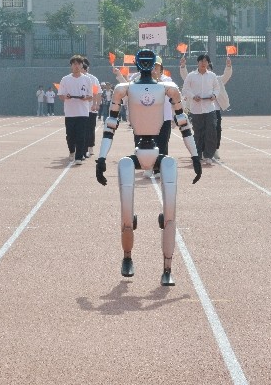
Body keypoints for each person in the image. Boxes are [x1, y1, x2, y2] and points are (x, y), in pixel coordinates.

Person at [95, 48, 202, 286]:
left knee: (170, 214)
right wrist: (101, 158)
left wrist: (195, 156)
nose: (145, 65)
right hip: (136, 152)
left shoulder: (168, 88)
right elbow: (110, 125)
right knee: (126, 214)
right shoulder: (124, 89)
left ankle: (167, 267)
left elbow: (183, 123)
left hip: (158, 151)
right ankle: (127, 256)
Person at [180, 55, 232, 159]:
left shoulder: (214, 77)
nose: (204, 64)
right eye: (201, 61)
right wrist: (183, 66)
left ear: (209, 65)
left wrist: (228, 66)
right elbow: (185, 87)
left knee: (213, 131)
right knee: (198, 132)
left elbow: (223, 80)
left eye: (206, 62)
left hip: (212, 109)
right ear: (198, 63)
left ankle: (211, 152)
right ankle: (199, 153)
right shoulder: (192, 76)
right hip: (196, 109)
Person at [57, 55, 93, 165]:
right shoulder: (65, 79)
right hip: (70, 112)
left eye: (79, 64)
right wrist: (66, 97)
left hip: (83, 112)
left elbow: (90, 96)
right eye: (74, 64)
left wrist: (85, 98)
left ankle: (79, 157)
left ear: (82, 65)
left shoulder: (87, 79)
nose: (76, 66)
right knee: (70, 136)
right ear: (71, 66)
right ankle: (72, 151)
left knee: (81, 135)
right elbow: (60, 95)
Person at [82, 58, 102, 158]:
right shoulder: (74, 78)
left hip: (90, 108)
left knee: (90, 129)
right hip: (80, 109)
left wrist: (96, 104)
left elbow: (97, 92)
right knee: (82, 129)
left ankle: (90, 147)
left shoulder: (93, 79)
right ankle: (82, 148)